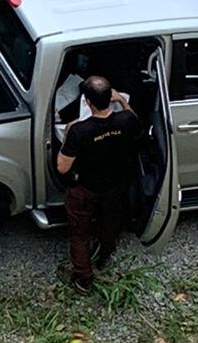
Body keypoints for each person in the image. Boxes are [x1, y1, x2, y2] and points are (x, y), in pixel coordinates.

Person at [56, 74, 139, 290]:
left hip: (86, 189)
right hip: (115, 186)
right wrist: (122, 101)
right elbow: (135, 122)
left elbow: (62, 167)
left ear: (87, 102)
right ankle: (104, 257)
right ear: (110, 97)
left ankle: (83, 278)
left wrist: (67, 134)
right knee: (110, 224)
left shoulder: (79, 130)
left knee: (80, 233)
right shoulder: (126, 121)